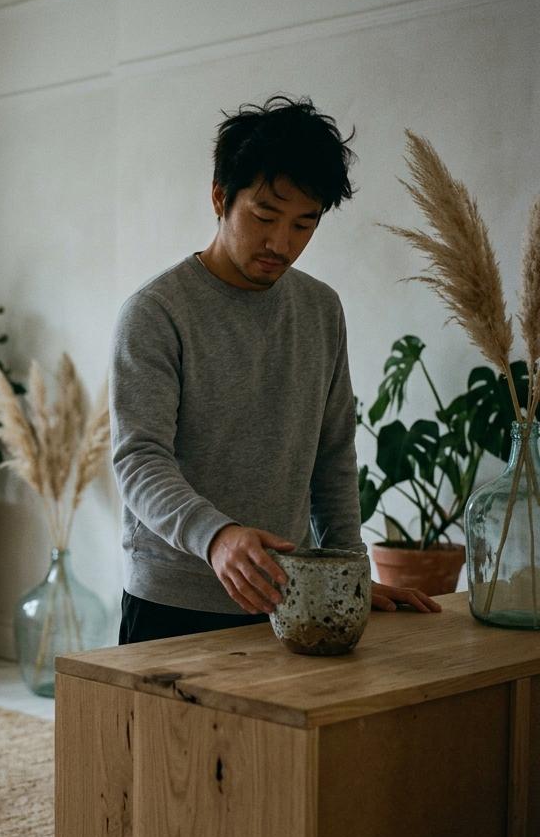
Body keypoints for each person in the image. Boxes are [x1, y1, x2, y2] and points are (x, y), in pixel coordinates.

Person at [110, 94, 440, 646]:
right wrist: (217, 537)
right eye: (264, 216)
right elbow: (138, 460)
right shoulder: (156, 312)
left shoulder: (320, 309)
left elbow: (333, 456)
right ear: (220, 197)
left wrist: (348, 576)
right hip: (174, 600)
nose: (280, 244)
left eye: (303, 224)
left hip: (292, 597)